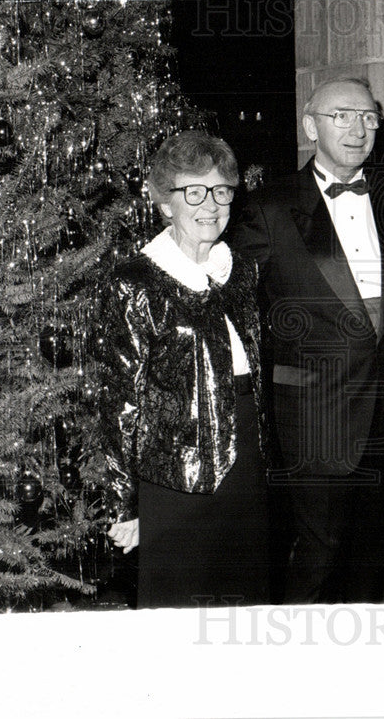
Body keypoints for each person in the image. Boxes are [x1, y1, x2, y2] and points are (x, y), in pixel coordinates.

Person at [225, 76, 384, 604]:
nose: (358, 128)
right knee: (315, 570)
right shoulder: (268, 207)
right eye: (341, 115)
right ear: (309, 127)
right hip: (315, 421)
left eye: (368, 117)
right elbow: (237, 313)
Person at [97, 130, 271, 609]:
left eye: (221, 191)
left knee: (245, 598)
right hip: (175, 473)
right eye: (193, 192)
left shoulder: (239, 271)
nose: (209, 204)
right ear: (164, 202)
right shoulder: (135, 281)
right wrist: (124, 501)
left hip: (248, 458)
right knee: (180, 604)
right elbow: (121, 399)